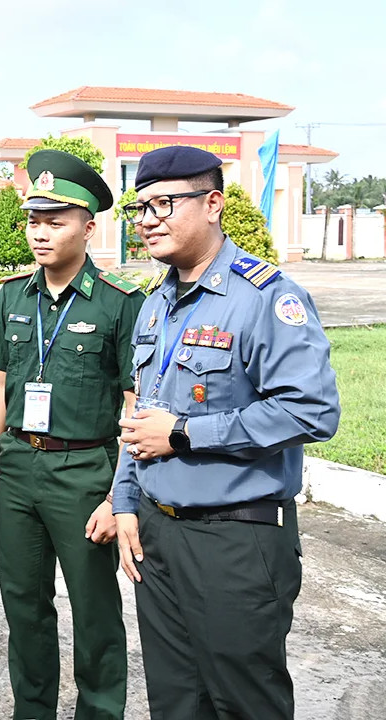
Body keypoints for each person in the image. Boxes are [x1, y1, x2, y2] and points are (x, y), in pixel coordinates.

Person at [111, 145, 341, 720]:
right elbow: (142, 415)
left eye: (164, 204)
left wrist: (186, 432)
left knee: (244, 702)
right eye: (141, 208)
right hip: (158, 536)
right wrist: (125, 502)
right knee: (174, 702)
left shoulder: (266, 296)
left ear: (212, 203)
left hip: (235, 541)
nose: (148, 220)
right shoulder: (156, 303)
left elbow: (312, 411)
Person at [0, 150, 144, 720]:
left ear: (89, 227)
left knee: (94, 611)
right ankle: (33, 711)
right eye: (32, 220)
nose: (39, 234)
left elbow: (133, 403)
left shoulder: (122, 303)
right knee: (24, 606)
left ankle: (98, 712)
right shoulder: (12, 296)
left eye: (56, 221)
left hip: (85, 472)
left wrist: (118, 495)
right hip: (19, 469)